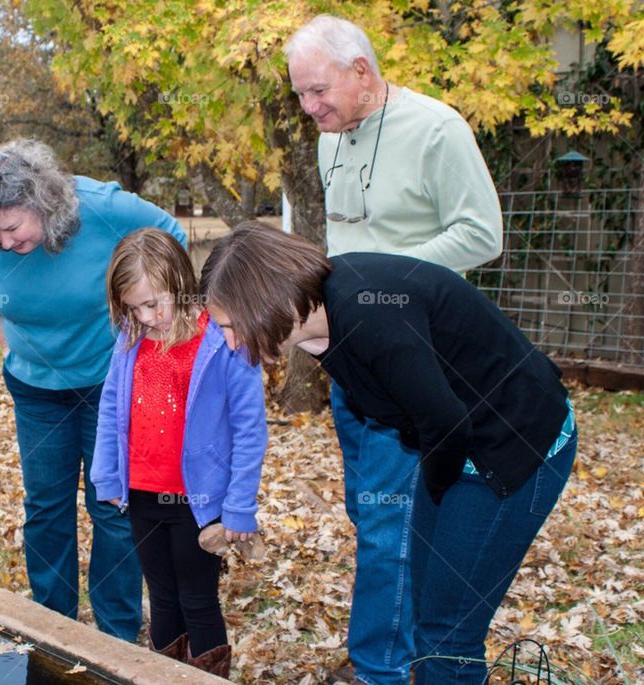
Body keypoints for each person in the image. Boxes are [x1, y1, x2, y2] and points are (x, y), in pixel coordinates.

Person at [201, 223, 577, 685]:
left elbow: (445, 422)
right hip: (461, 448)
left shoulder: (369, 314)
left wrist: (440, 499)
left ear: (265, 300)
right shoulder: (321, 320)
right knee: (427, 610)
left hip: (517, 447)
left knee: (448, 636)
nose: (234, 343)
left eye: (232, 327)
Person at [285, 14, 504, 683]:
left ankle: (379, 670)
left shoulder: (437, 129)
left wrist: (392, 285)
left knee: (388, 525)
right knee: (374, 513)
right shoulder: (331, 139)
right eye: (300, 94)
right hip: (353, 362)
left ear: (362, 70)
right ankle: (406, 651)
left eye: (319, 90)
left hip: (415, 358)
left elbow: (482, 233)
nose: (310, 107)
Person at [0, 139, 186, 642]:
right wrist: (5, 337)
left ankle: (115, 634)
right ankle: (52, 627)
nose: (5, 243)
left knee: (111, 506)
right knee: (46, 506)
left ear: (43, 203)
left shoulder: (102, 208)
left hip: (109, 383)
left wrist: (152, 320)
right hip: (35, 391)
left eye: (14, 228)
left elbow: (169, 234)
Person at [90, 229, 268, 678]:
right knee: (162, 596)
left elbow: (250, 430)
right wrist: (108, 475)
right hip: (144, 493)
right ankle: (164, 674)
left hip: (200, 501)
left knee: (197, 598)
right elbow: (112, 407)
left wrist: (240, 508)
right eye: (134, 307)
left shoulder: (224, 338)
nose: (146, 317)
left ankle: (208, 675)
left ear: (182, 283)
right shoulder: (131, 338)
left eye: (153, 303)